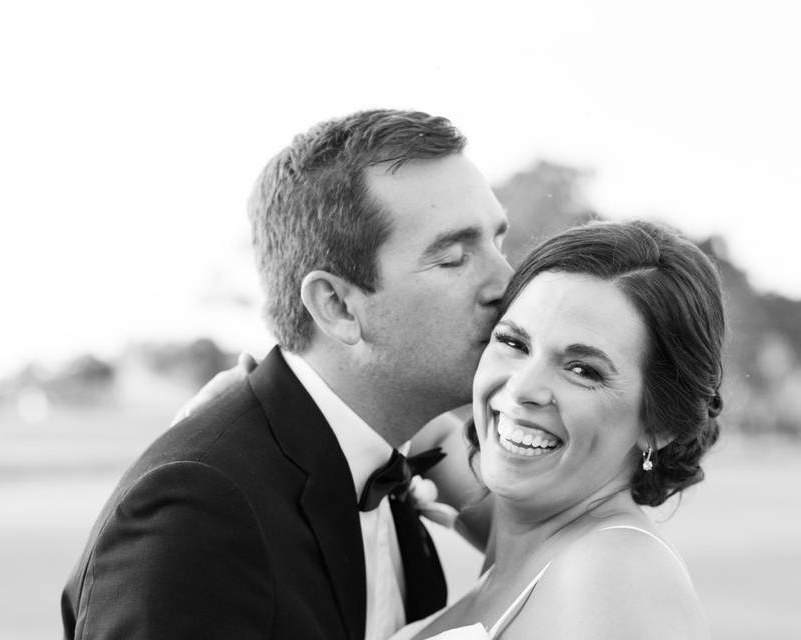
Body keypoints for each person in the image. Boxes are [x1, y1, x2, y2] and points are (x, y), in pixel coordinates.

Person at [60, 109, 512, 639]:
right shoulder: (200, 510)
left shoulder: (390, 465)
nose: (507, 283)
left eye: (498, 243)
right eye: (454, 258)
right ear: (337, 306)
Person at [393, 220, 723, 640]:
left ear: (660, 424)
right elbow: (422, 432)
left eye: (582, 370)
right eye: (514, 343)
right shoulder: (523, 534)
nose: (522, 388)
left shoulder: (614, 574)